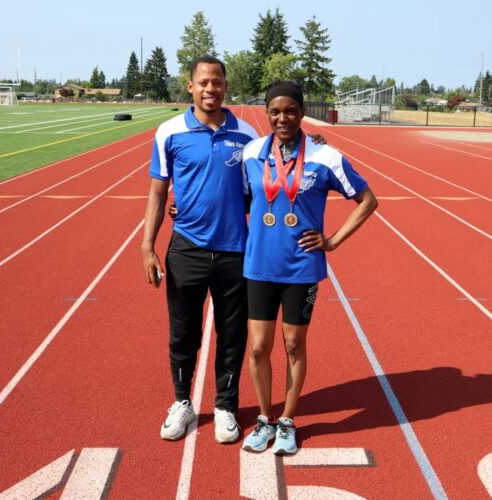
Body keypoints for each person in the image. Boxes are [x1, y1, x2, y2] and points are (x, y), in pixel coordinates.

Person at [241, 80, 378, 455]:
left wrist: (332, 240)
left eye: (290, 110)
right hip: (259, 267)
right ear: (267, 113)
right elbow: (237, 200)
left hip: (302, 268)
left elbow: (367, 200)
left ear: (302, 112)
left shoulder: (325, 156)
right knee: (257, 348)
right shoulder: (252, 153)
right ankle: (265, 419)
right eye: (275, 111)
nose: (282, 117)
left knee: (293, 344)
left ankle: (287, 420)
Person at [141, 55, 258, 444]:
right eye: (204, 82)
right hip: (186, 249)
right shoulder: (169, 132)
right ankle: (182, 402)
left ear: (226, 86)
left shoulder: (246, 134)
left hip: (234, 252)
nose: (211, 88)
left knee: (232, 335)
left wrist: (315, 143)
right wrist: (147, 247)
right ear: (190, 86)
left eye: (218, 82)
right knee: (182, 334)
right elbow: (158, 195)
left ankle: (226, 405)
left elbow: (258, 189)